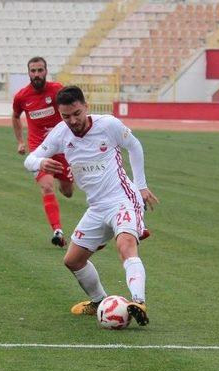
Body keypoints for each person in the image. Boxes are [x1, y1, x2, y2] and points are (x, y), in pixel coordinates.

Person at [24, 86, 159, 326]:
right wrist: (42, 162)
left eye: (77, 113)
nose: (73, 120)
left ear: (86, 106)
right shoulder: (60, 133)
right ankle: (99, 301)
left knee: (125, 245)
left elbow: (135, 147)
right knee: (73, 260)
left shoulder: (108, 125)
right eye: (66, 116)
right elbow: (29, 159)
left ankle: (138, 302)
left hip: (122, 198)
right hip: (96, 207)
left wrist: (141, 186)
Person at [12, 56, 73, 247]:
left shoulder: (57, 90)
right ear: (28, 73)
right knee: (47, 186)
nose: (36, 74)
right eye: (33, 71)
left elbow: (70, 110)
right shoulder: (22, 96)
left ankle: (60, 176)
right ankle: (57, 230)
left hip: (61, 147)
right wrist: (20, 142)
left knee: (68, 191)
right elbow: (15, 116)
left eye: (40, 70)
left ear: (46, 71)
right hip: (39, 149)